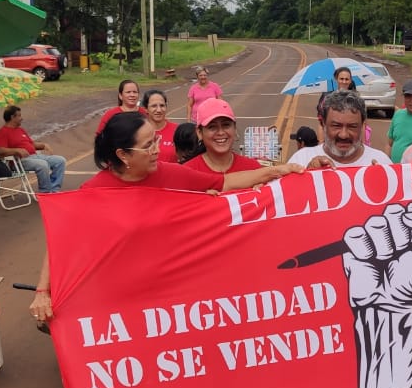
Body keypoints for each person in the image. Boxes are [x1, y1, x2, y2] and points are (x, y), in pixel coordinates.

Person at [28, 111, 303, 322]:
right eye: (148, 145)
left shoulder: (168, 173)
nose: (158, 150)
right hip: (119, 298)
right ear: (123, 154)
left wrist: (275, 172)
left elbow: (225, 183)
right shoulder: (93, 193)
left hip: (168, 294)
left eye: (157, 140)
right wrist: (43, 292)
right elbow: (61, 243)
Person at [290, 91, 392, 169]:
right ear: (323, 125)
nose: (343, 135)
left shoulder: (382, 163)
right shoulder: (300, 160)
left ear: (362, 126)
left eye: (352, 126)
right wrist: (304, 178)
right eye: (336, 126)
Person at [0, 105, 68, 193]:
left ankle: (54, 189)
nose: (22, 118)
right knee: (42, 164)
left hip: (35, 156)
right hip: (19, 161)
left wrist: (43, 145)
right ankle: (45, 192)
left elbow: (31, 144)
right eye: (19, 116)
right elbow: (0, 151)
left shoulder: (20, 130)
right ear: (12, 117)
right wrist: (17, 150)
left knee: (60, 160)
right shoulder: (2, 132)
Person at [186, 99, 263, 174]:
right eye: (212, 127)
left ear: (234, 128)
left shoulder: (253, 169)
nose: (220, 132)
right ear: (199, 132)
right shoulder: (187, 172)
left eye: (226, 125)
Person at [143, 90, 180, 164]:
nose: (159, 110)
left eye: (162, 105)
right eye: (154, 106)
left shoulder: (178, 130)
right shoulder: (139, 133)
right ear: (146, 109)